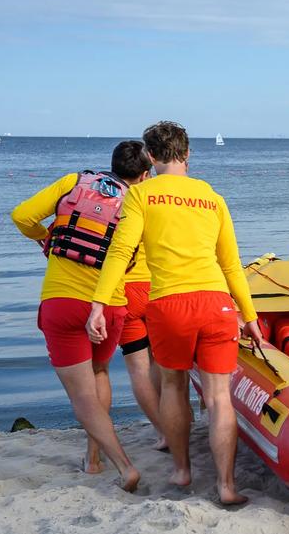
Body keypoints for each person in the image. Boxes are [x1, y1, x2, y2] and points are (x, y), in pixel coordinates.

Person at [86, 121, 264, 504]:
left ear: (150, 156)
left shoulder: (141, 195)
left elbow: (120, 253)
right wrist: (249, 316)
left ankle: (182, 471)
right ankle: (227, 486)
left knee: (173, 386)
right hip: (216, 303)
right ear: (188, 154)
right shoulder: (212, 197)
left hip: (168, 305)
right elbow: (232, 265)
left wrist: (99, 303)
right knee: (219, 397)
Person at [11, 143, 146, 491]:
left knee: (81, 397)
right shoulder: (138, 202)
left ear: (111, 165)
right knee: (99, 372)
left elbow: (21, 215)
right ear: (144, 175)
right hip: (111, 305)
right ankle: (93, 458)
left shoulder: (74, 181)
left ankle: (122, 465)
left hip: (64, 302)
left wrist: (47, 237)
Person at [112, 141, 167, 450]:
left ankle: (162, 432)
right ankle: (173, 420)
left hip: (126, 290)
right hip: (157, 287)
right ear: (146, 173)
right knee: (162, 360)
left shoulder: (108, 199)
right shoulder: (151, 198)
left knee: (137, 368)